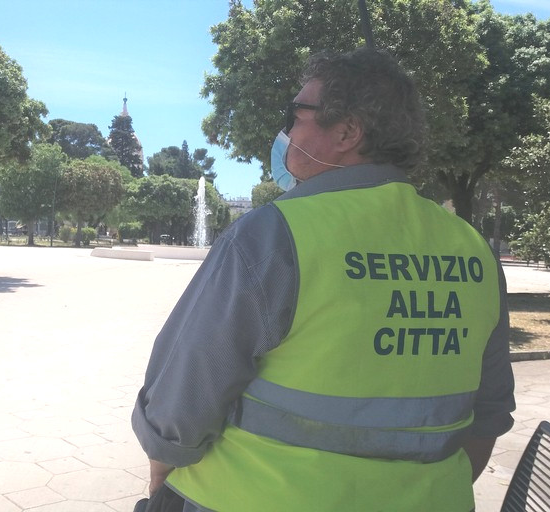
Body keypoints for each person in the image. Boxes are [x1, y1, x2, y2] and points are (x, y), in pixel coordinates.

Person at [132, 48, 515, 512]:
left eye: (296, 115)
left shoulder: (272, 234)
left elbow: (183, 396)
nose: (288, 132)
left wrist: (161, 471)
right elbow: (488, 414)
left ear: (347, 132)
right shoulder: (473, 248)